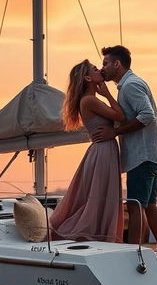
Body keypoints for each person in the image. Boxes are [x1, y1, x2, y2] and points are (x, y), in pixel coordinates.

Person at [93, 45, 157, 251]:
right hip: (150, 153)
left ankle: (133, 253)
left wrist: (115, 133)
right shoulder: (129, 85)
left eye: (105, 64)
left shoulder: (130, 86)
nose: (103, 68)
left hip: (142, 155)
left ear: (117, 64)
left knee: (136, 207)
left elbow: (147, 115)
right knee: (150, 206)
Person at [50, 59, 125, 243]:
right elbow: (121, 116)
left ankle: (102, 233)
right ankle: (96, 233)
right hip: (103, 151)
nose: (98, 69)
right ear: (87, 78)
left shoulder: (90, 100)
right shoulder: (90, 100)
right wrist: (108, 95)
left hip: (103, 150)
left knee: (102, 195)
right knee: (101, 195)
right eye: (94, 68)